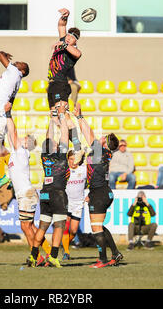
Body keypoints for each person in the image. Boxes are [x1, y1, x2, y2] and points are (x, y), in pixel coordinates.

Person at [73, 103, 123, 268]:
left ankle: (102, 260)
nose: (101, 138)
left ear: (106, 143)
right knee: (99, 226)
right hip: (102, 192)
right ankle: (115, 254)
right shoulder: (103, 153)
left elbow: (88, 133)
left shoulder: (100, 151)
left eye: (104, 138)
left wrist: (80, 117)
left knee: (96, 229)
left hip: (100, 193)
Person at [4, 102, 51, 264]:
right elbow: (12, 136)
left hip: (26, 194)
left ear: (27, 143)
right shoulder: (17, 153)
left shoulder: (21, 151)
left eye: (25, 138)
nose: (22, 138)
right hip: (25, 194)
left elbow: (13, 132)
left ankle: (37, 256)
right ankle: (46, 254)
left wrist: (8, 115)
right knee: (29, 227)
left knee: (26, 227)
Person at [27, 105, 70, 268]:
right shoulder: (61, 156)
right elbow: (64, 134)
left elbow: (49, 136)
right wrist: (62, 115)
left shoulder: (45, 156)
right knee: (59, 225)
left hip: (45, 192)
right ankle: (52, 256)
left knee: (43, 225)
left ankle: (33, 256)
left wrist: (52, 119)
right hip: (57, 193)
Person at [0, 50, 30, 192]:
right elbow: (11, 100)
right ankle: (13, 174)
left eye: (21, 64)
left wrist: (5, 54)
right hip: (0, 110)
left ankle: (3, 175)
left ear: (22, 71)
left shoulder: (14, 72)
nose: (17, 62)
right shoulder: (17, 81)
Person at [47, 8, 83, 164]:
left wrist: (63, 45)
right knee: (56, 119)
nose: (68, 37)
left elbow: (78, 54)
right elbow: (61, 25)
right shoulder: (63, 39)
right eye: (68, 35)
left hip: (61, 85)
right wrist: (65, 16)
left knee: (64, 116)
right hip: (52, 85)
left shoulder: (71, 49)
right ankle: (71, 147)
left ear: (75, 41)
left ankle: (77, 147)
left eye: (72, 37)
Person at [62, 149, 87, 260]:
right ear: (67, 160)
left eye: (74, 159)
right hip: (66, 202)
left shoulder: (83, 170)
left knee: (74, 230)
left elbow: (93, 181)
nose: (72, 162)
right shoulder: (65, 171)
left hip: (78, 203)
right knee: (66, 227)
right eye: (70, 159)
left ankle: (65, 244)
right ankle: (66, 252)